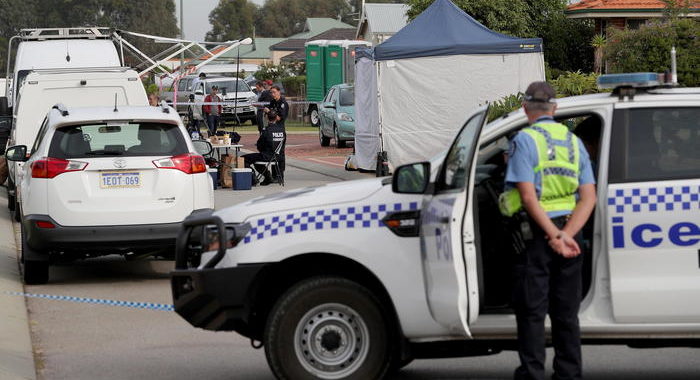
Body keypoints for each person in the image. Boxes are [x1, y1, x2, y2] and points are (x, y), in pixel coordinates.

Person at [500, 82, 596, 380]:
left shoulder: (524, 141)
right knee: (566, 313)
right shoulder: (573, 142)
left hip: (538, 236)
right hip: (571, 234)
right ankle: (568, 374)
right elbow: (588, 197)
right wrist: (567, 235)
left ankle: (532, 374)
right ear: (554, 109)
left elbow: (528, 197)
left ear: (525, 108)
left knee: (532, 311)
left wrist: (553, 236)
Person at [243, 110, 286, 186]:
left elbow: (259, 145)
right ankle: (267, 177)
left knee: (243, 159)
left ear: (267, 118)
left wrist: (263, 150)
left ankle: (253, 178)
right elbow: (283, 144)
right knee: (256, 160)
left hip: (267, 156)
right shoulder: (282, 130)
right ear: (276, 118)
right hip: (278, 157)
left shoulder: (266, 130)